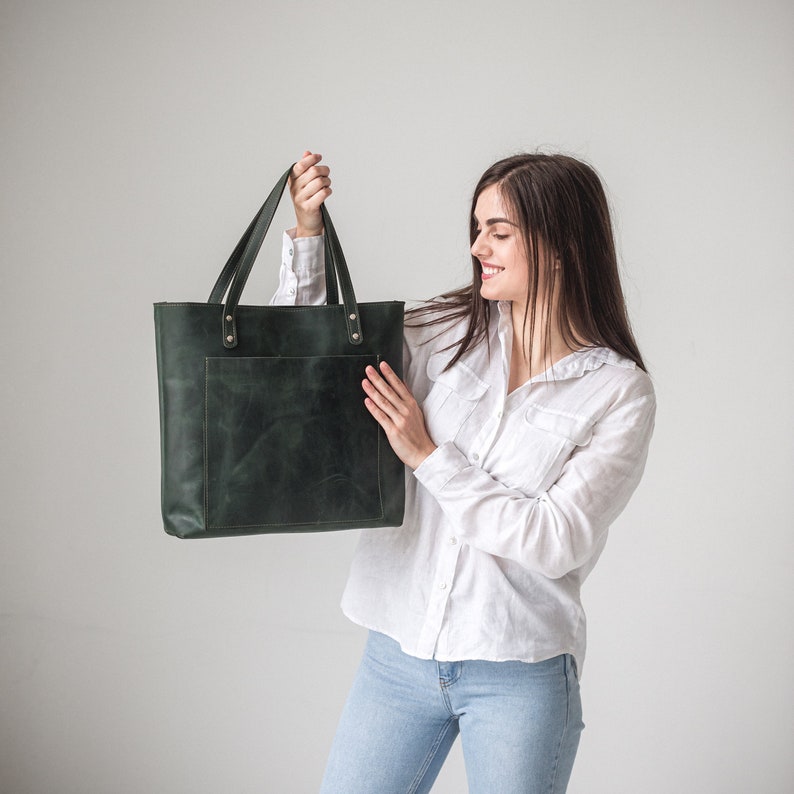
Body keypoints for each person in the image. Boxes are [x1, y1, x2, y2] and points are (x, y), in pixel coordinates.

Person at [275, 150, 656, 793]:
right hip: (397, 656)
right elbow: (311, 360)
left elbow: (554, 540)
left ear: (561, 245)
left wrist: (428, 457)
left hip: (521, 671)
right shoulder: (438, 333)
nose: (478, 246)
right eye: (476, 229)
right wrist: (308, 233)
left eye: (499, 232)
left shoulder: (617, 392)